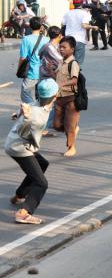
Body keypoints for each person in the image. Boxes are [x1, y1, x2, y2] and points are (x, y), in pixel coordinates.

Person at [5, 79, 58, 225]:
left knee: (42, 164)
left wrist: (20, 113)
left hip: (17, 144)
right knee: (42, 183)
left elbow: (28, 107)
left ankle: (19, 194)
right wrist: (26, 118)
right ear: (55, 96)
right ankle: (24, 213)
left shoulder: (39, 103)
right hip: (20, 148)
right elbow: (24, 131)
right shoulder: (37, 115)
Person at [52, 36, 81, 157]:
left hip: (70, 98)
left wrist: (62, 84)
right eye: (60, 47)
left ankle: (71, 147)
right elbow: (57, 77)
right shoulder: (61, 62)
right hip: (59, 98)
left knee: (69, 124)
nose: (61, 49)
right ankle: (74, 129)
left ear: (72, 49)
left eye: (64, 47)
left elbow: (74, 80)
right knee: (57, 125)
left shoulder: (73, 63)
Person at [39, 26, 63, 135]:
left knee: (50, 103)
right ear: (58, 36)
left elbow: (40, 54)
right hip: (49, 77)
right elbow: (60, 60)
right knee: (49, 103)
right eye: (61, 35)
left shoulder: (50, 46)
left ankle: (44, 127)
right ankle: (43, 128)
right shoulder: (50, 47)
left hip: (49, 76)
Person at [61, 0, 97, 66]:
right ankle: (75, 75)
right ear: (82, 4)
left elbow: (62, 24)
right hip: (79, 40)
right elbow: (84, 25)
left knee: (67, 61)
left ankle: (67, 75)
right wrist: (93, 27)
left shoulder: (67, 13)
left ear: (73, 4)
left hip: (68, 39)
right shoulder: (85, 13)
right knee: (77, 63)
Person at [18, 17, 46, 105]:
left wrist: (19, 68)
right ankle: (40, 111)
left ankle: (32, 109)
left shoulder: (26, 39)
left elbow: (23, 58)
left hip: (31, 71)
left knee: (25, 93)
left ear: (30, 26)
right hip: (44, 72)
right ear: (41, 26)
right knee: (42, 94)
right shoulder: (47, 39)